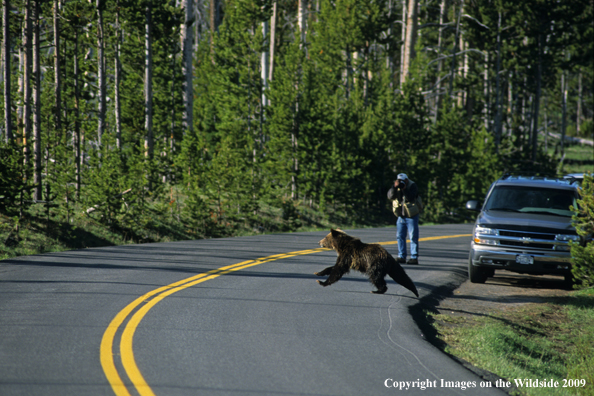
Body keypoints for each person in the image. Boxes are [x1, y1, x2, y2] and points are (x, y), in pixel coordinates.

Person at [387, 173, 419, 265]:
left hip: (411, 215)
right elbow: (390, 196)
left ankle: (414, 257)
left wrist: (404, 189)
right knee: (400, 236)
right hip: (401, 215)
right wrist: (394, 187)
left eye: (403, 181)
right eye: (400, 181)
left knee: (413, 237)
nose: (401, 182)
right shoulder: (396, 186)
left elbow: (411, 198)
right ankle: (401, 256)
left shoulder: (412, 185)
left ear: (407, 180)